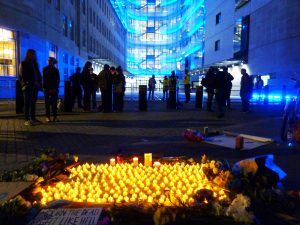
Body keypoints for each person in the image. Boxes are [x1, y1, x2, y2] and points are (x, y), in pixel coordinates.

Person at [18, 49, 42, 126]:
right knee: (27, 103)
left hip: (35, 86)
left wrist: (40, 84)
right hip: (28, 86)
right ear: (29, 55)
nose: (35, 56)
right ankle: (26, 120)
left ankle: (33, 118)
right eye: (33, 54)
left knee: (33, 103)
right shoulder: (23, 63)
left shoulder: (35, 64)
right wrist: (25, 84)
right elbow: (21, 76)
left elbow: (38, 75)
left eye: (35, 54)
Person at [42, 57, 60, 122]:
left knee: (54, 104)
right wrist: (46, 88)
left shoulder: (56, 70)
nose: (49, 62)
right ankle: (48, 117)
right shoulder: (45, 69)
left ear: (53, 62)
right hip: (47, 89)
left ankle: (55, 116)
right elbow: (44, 79)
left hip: (54, 89)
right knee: (47, 104)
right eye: (48, 60)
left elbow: (58, 80)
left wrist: (55, 88)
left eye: (50, 61)